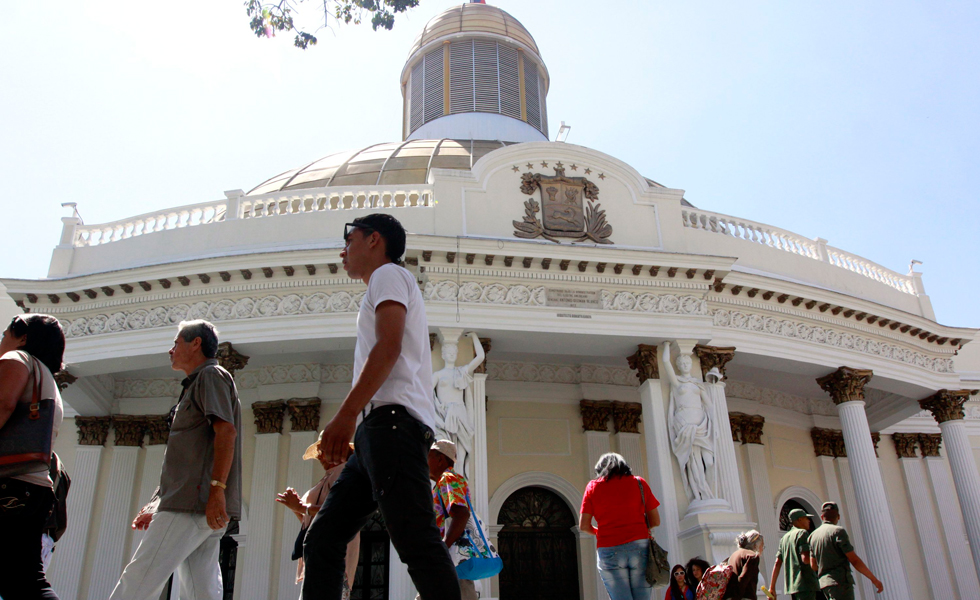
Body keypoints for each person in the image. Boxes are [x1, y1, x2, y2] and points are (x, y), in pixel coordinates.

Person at [303, 214, 461, 600]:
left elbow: (388, 347)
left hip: (392, 426)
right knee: (322, 539)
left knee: (416, 541)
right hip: (379, 430)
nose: (343, 250)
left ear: (375, 240)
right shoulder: (384, 281)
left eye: (349, 238)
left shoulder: (388, 275)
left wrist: (343, 417)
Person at [110, 320, 243, 600]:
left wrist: (217, 490)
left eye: (175, 343)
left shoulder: (210, 376)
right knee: (201, 590)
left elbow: (225, 431)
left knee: (138, 580)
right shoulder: (200, 381)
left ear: (196, 343)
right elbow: (188, 455)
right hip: (197, 503)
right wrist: (157, 501)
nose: (170, 350)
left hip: (190, 504)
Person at [0, 314, 66, 600]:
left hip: (7, 484)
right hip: (34, 488)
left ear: (23, 337)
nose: (2, 340)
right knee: (25, 582)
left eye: (5, 333)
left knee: (23, 583)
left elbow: (3, 403)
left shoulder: (17, 359)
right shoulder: (47, 378)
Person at [277, 432, 360, 599]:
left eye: (324, 450)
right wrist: (296, 507)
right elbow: (314, 522)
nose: (320, 455)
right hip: (318, 555)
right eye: (319, 451)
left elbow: (338, 512)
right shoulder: (329, 476)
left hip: (331, 557)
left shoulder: (344, 473)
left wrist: (301, 507)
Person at [579, 452, 661, 600]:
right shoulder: (639, 483)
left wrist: (600, 532)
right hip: (639, 546)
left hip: (609, 547)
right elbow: (655, 521)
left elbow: (584, 526)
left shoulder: (592, 487)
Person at [426, 439, 492, 600]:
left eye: (427, 456)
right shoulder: (448, 480)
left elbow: (462, 514)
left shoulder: (447, 478)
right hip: (453, 562)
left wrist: (443, 547)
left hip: (452, 561)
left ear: (440, 459)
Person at [432, 331, 484, 479]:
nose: (451, 354)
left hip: (460, 415)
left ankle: (459, 487)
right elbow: (425, 396)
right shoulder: (438, 375)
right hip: (445, 417)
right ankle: (445, 488)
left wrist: (474, 335)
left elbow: (480, 357)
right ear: (443, 354)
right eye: (448, 351)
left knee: (460, 455)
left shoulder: (461, 372)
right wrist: (437, 417)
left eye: (454, 351)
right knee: (445, 454)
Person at [808, 502, 883, 600]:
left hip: (825, 584)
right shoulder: (838, 531)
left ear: (822, 517)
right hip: (840, 583)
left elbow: (813, 565)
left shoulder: (812, 536)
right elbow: (854, 560)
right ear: (838, 517)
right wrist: (874, 579)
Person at [768, 508, 819, 600]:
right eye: (806, 518)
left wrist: (772, 587)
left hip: (792, 586)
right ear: (800, 519)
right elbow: (806, 559)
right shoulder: (802, 533)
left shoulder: (784, 538)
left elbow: (777, 563)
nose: (809, 521)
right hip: (806, 584)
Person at [723, 530, 764, 599]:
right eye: (762, 546)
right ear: (756, 545)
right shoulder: (752, 556)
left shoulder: (733, 555)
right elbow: (743, 579)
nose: (762, 549)